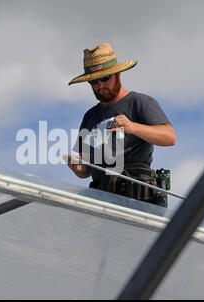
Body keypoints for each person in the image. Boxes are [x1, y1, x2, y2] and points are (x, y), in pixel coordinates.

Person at [64, 43, 176, 204]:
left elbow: (170, 137)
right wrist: (77, 168)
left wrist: (133, 127)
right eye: (94, 82)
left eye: (104, 78)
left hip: (137, 202)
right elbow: (85, 170)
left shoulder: (139, 102)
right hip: (100, 202)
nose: (100, 85)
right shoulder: (90, 116)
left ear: (117, 75)